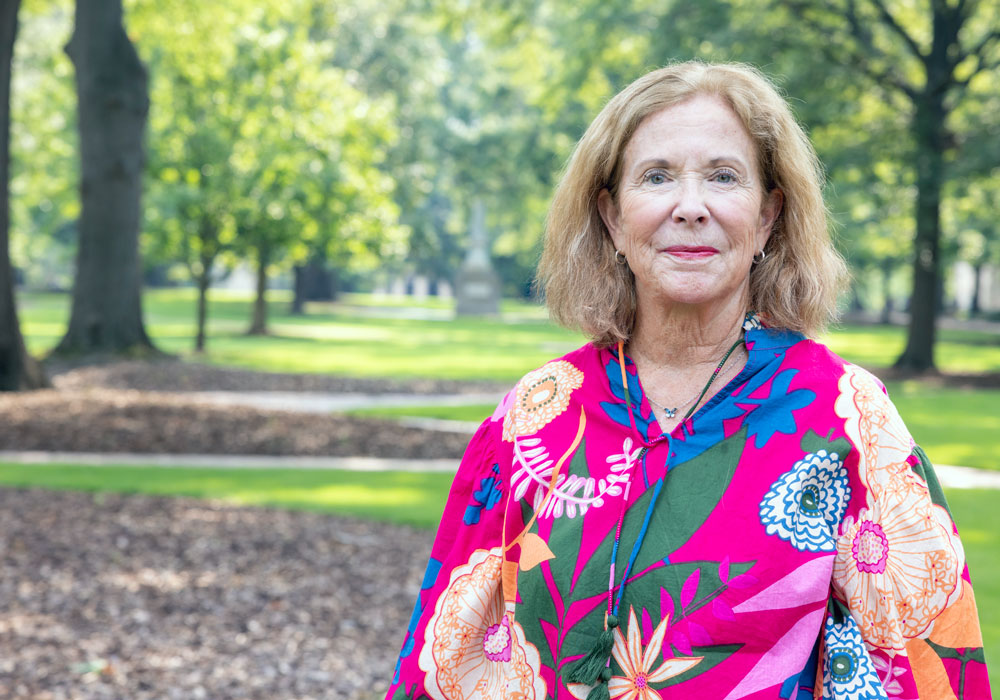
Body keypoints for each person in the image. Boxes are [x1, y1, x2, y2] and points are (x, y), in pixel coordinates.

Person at [386, 61, 991, 700]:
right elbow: (444, 663)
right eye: (656, 177)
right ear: (613, 219)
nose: (691, 207)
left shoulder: (846, 420)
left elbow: (916, 673)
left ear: (767, 218)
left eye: (724, 178)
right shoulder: (538, 416)